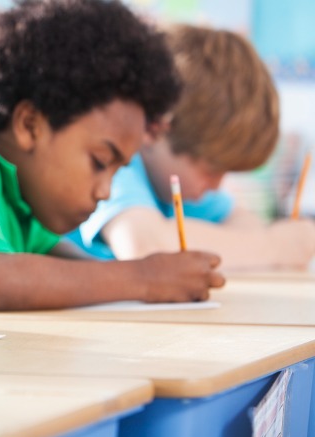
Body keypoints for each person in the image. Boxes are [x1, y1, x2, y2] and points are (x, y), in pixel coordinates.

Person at [0, 0, 225, 311]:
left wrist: (167, 278)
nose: (105, 191)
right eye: (100, 162)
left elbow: (73, 270)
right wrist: (146, 279)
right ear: (30, 124)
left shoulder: (19, 201)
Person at [70, 24, 315, 270]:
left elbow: (243, 224)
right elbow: (143, 245)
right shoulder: (117, 164)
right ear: (157, 130)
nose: (216, 186)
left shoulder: (174, 183)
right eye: (210, 170)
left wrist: (269, 243)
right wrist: (273, 246)